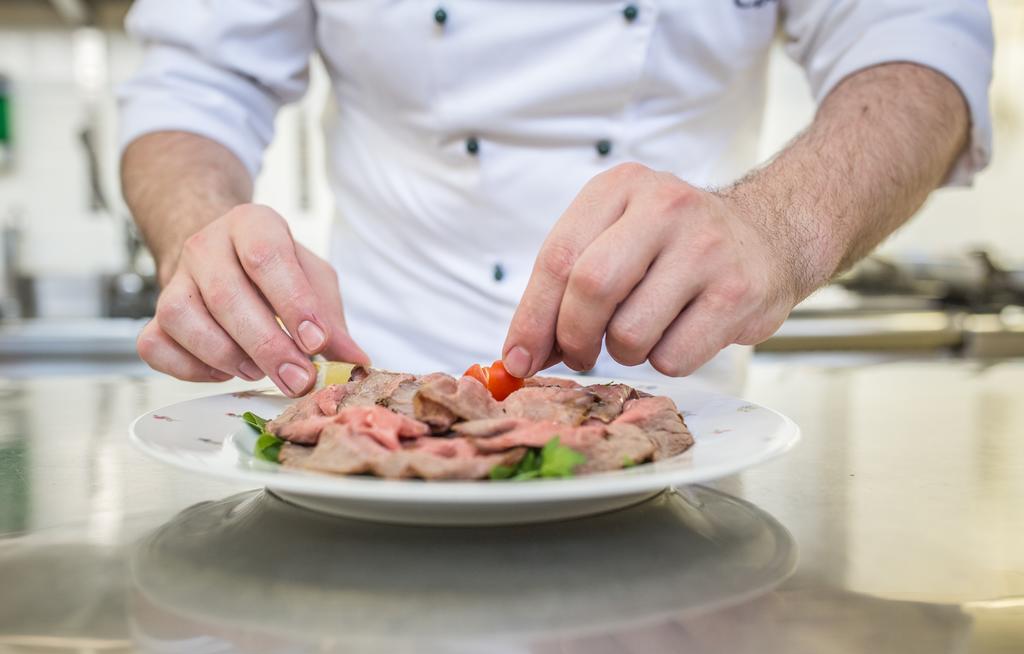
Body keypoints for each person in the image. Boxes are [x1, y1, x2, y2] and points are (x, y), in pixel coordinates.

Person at [119, 1, 994, 398]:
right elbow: (194, 80)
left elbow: (918, 39)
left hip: (677, 425)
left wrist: (780, 225)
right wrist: (202, 235)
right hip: (362, 400)